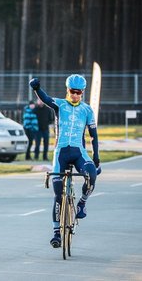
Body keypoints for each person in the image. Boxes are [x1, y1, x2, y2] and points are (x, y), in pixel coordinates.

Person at [29, 75, 100, 248]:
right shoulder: (60, 104)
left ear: (83, 92)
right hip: (61, 152)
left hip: (79, 152)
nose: (75, 95)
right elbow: (45, 99)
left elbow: (93, 135)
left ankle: (81, 204)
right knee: (58, 193)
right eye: (72, 91)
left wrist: (96, 157)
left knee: (91, 175)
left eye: (78, 92)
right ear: (67, 90)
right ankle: (56, 233)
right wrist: (37, 88)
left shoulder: (87, 110)